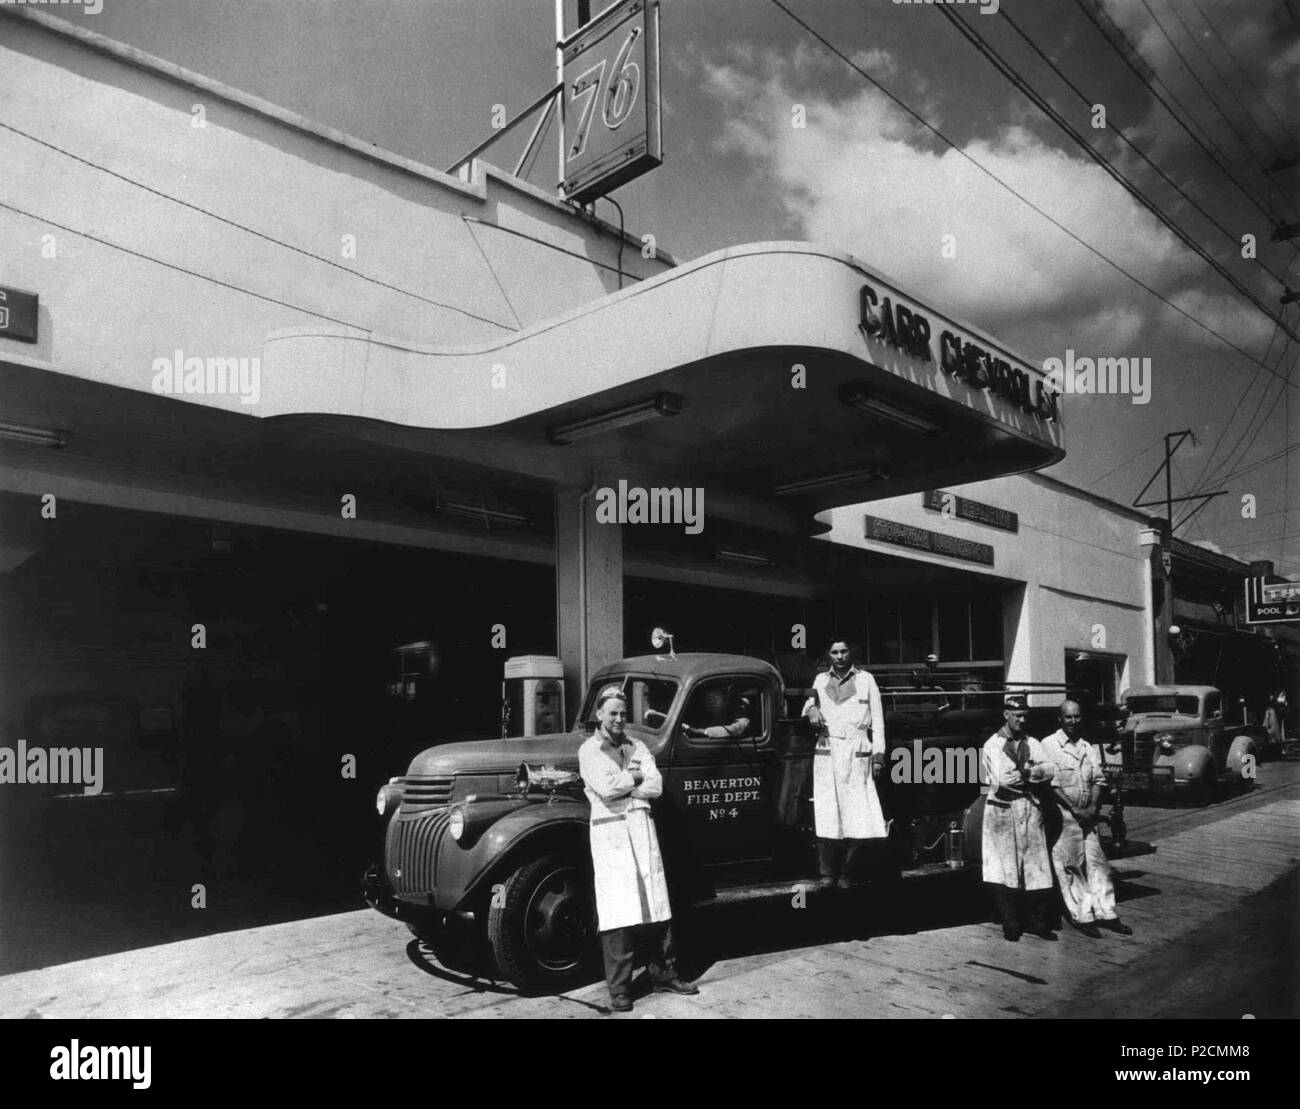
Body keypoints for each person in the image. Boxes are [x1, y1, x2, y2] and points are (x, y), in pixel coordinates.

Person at [578, 685, 698, 1012]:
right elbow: (604, 786)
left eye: (622, 713)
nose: (618, 719)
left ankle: (664, 973)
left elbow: (656, 786)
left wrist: (627, 783)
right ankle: (619, 989)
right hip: (611, 833)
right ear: (599, 714)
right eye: (612, 713)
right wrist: (634, 778)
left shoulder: (638, 745)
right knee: (619, 910)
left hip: (642, 827)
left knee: (655, 903)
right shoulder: (589, 750)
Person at [1040, 701, 1133, 937]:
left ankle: (1107, 913)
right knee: (1071, 866)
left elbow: (1098, 779)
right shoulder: (1049, 745)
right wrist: (1074, 809)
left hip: (1088, 815)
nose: (1073, 721)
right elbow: (1051, 785)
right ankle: (1082, 916)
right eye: (1069, 717)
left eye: (1077, 717)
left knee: (1098, 865)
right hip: (1065, 816)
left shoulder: (1086, 746)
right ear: (1060, 719)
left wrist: (1092, 806)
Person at [801, 638, 888, 889]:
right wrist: (813, 711)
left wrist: (878, 756)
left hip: (857, 752)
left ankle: (848, 872)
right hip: (828, 750)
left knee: (858, 816)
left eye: (844, 651)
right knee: (827, 813)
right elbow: (808, 705)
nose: (839, 656)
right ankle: (827, 873)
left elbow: (879, 721)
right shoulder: (820, 680)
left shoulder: (865, 679)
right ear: (828, 655)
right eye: (834, 652)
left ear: (851, 652)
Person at [981, 693, 1056, 942]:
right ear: (1006, 715)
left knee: (1036, 865)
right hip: (1003, 811)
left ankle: (1038, 922)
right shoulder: (993, 745)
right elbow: (1002, 781)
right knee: (1004, 868)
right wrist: (1031, 774)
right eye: (1017, 715)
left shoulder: (1033, 743)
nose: (1022, 720)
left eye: (1025, 716)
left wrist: (1024, 773)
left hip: (1029, 807)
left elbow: (1049, 770)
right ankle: (1010, 922)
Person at [683, 686, 754, 739]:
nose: (712, 702)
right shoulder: (704, 717)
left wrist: (701, 732)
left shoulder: (737, 712)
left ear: (724, 699)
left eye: (716, 697)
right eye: (708, 699)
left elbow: (737, 728)